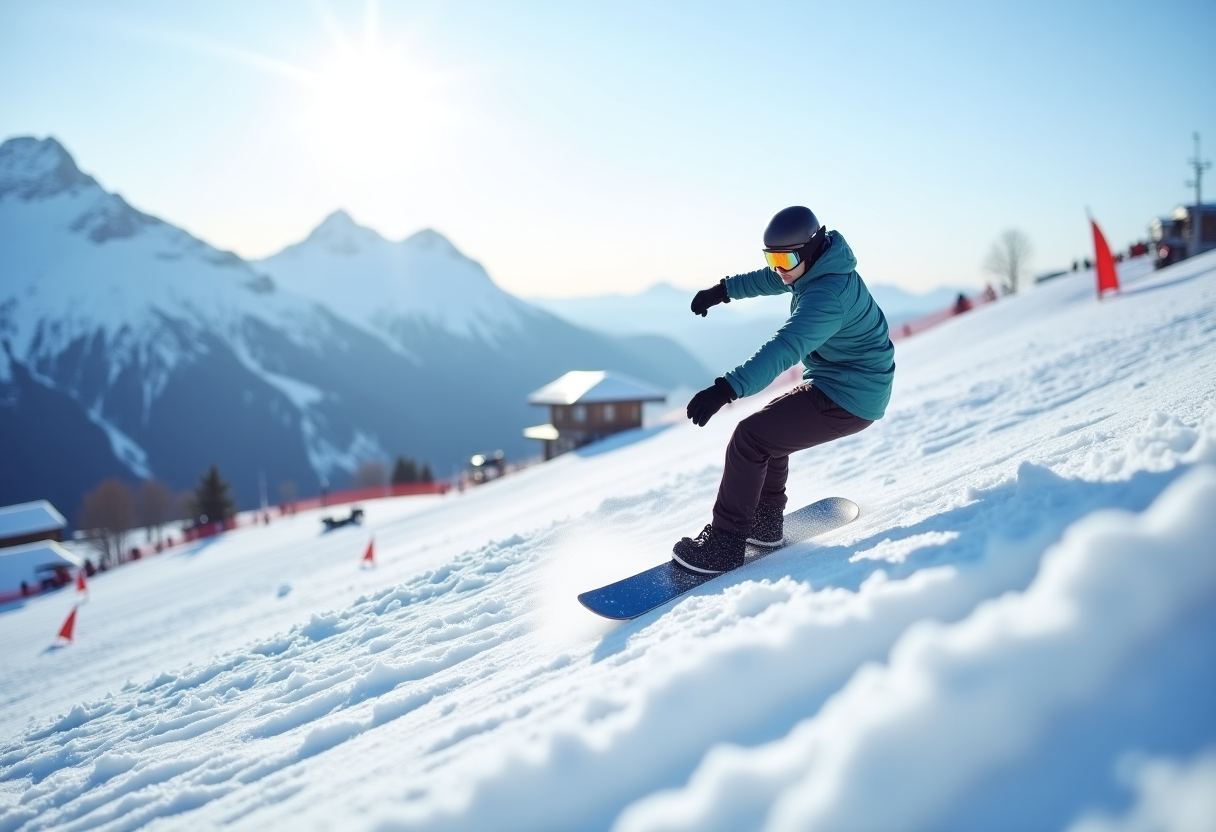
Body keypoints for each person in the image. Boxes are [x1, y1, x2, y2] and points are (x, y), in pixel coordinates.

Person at [673, 206, 895, 574]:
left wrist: (725, 389)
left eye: (784, 258)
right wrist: (724, 291)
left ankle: (724, 545)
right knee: (767, 431)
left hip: (851, 396)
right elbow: (771, 279)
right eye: (772, 257)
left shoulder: (826, 296)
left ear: (807, 252)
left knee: (750, 437)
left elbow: (784, 349)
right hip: (842, 383)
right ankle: (764, 523)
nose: (778, 267)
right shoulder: (817, 265)